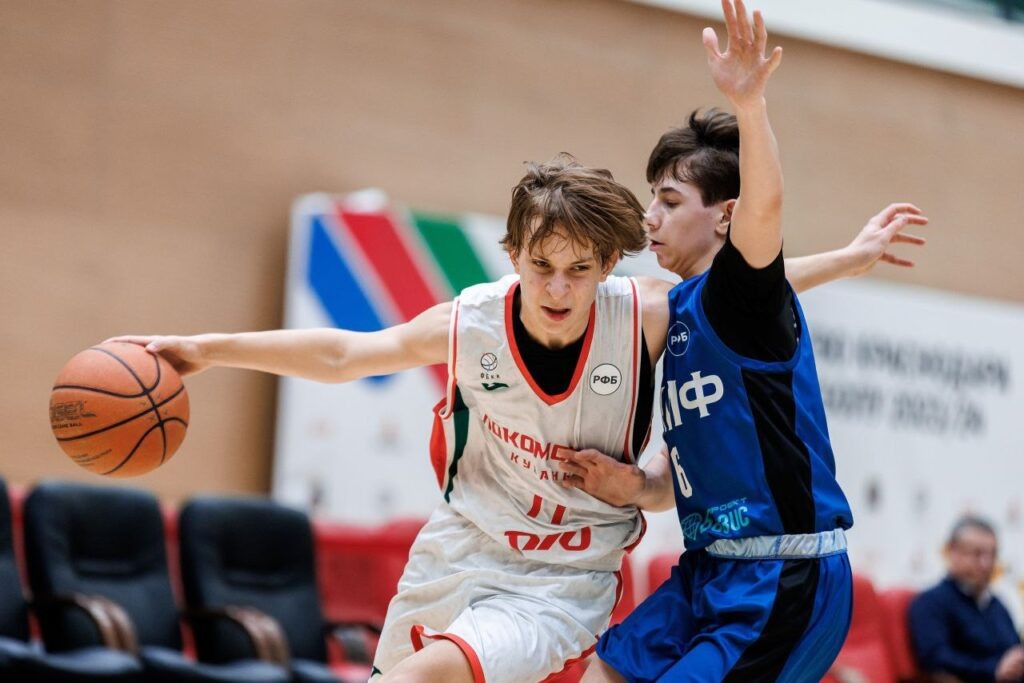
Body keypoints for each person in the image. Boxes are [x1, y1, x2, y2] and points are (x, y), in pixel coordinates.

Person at [556, 1, 927, 680]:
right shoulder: (678, 313)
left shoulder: (740, 292)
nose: (650, 217)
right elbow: (684, 480)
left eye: (670, 201)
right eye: (652, 198)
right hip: (707, 570)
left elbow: (766, 212)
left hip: (783, 579)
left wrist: (749, 106)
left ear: (725, 216)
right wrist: (636, 484)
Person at [909, 516, 1024, 683]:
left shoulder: (998, 605)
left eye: (992, 555)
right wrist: (993, 669)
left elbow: (1015, 649)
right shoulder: (930, 603)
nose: (986, 564)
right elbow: (935, 657)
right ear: (953, 552)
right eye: (977, 554)